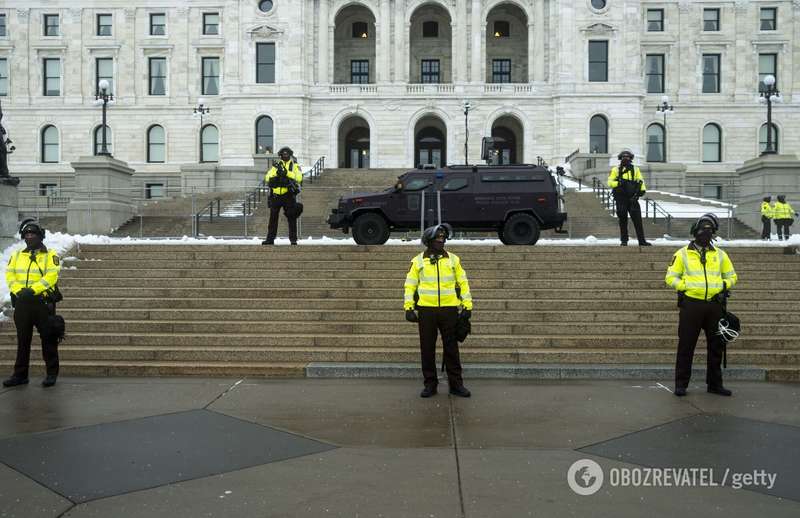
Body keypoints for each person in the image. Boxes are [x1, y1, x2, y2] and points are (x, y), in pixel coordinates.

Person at [665, 213, 738, 397]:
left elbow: (732, 276)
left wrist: (723, 285)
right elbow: (670, 277)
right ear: (694, 232)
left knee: (716, 346)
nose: (706, 234)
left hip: (714, 306)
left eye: (709, 231)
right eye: (702, 230)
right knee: (686, 346)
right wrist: (684, 286)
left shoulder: (720, 255)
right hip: (691, 305)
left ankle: (715, 384)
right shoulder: (682, 254)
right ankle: (681, 384)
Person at [403, 224, 473, 398]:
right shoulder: (418, 261)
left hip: (449, 310)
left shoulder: (453, 260)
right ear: (429, 241)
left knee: (452, 349)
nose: (441, 241)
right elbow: (410, 285)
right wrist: (409, 307)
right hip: (426, 311)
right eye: (437, 238)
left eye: (443, 238)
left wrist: (467, 306)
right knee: (427, 349)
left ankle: (456, 385)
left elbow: (463, 283)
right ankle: (430, 385)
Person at [3, 220, 62, 388]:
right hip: (22, 303)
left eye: (33, 234)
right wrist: (18, 290)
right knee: (23, 340)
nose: (29, 237)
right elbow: (10, 275)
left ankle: (51, 373)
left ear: (40, 236)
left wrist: (33, 290)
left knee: (48, 339)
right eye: (27, 234)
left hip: (42, 303)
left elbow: (51, 276)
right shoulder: (16, 255)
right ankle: (20, 375)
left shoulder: (50, 255)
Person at [607, 150, 651, 246]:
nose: (625, 159)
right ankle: (624, 240)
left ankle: (642, 241)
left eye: (627, 157)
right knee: (622, 219)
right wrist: (619, 183)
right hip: (621, 198)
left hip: (632, 197)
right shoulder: (615, 169)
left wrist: (642, 191)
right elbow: (610, 182)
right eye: (623, 157)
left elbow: (640, 180)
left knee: (638, 220)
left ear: (631, 159)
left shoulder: (636, 169)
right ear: (620, 158)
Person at [263, 146, 303, 245]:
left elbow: (299, 177)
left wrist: (287, 173)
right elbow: (267, 177)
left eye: (287, 154)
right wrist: (276, 175)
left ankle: (293, 239)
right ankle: (270, 239)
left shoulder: (294, 165)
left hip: (288, 195)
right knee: (273, 219)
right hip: (276, 195)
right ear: (280, 155)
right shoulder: (276, 165)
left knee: (291, 217)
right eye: (283, 154)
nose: (285, 156)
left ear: (290, 155)